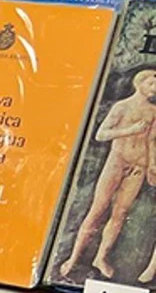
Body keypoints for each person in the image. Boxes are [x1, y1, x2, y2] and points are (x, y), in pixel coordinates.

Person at [60, 69, 156, 282]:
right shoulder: (121, 107)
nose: (155, 88)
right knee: (98, 210)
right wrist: (130, 130)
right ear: (140, 82)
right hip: (117, 161)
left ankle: (101, 257)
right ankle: (73, 257)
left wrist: (151, 166)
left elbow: (151, 141)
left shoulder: (153, 111)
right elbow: (101, 134)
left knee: (120, 213)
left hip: (138, 166)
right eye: (152, 82)